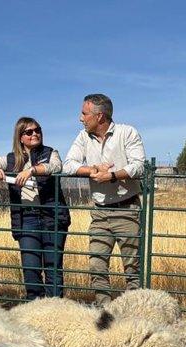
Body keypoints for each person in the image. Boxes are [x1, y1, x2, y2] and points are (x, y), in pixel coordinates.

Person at [63, 93, 146, 307]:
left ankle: (133, 312)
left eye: (84, 113)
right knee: (97, 265)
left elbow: (139, 165)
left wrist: (111, 175)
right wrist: (92, 170)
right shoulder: (83, 137)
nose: (81, 118)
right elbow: (68, 164)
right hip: (99, 211)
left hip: (127, 208)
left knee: (132, 268)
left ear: (99, 116)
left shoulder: (127, 133)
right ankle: (104, 311)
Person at [0, 117, 70, 300]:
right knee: (31, 270)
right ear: (20, 137)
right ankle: (35, 310)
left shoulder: (50, 152)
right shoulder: (11, 159)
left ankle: (56, 312)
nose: (35, 134)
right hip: (26, 219)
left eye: (37, 130)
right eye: (29, 132)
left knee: (53, 269)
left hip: (52, 215)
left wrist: (32, 170)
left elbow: (56, 166)